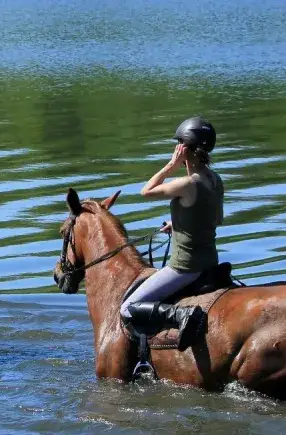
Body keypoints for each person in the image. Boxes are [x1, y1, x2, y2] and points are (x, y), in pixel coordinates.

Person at [123, 116, 223, 349]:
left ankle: (182, 315)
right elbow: (216, 219)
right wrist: (179, 223)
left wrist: (171, 165)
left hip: (185, 267)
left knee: (127, 307)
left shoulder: (187, 183)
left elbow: (146, 191)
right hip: (210, 261)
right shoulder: (215, 179)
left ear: (184, 149)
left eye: (178, 144)